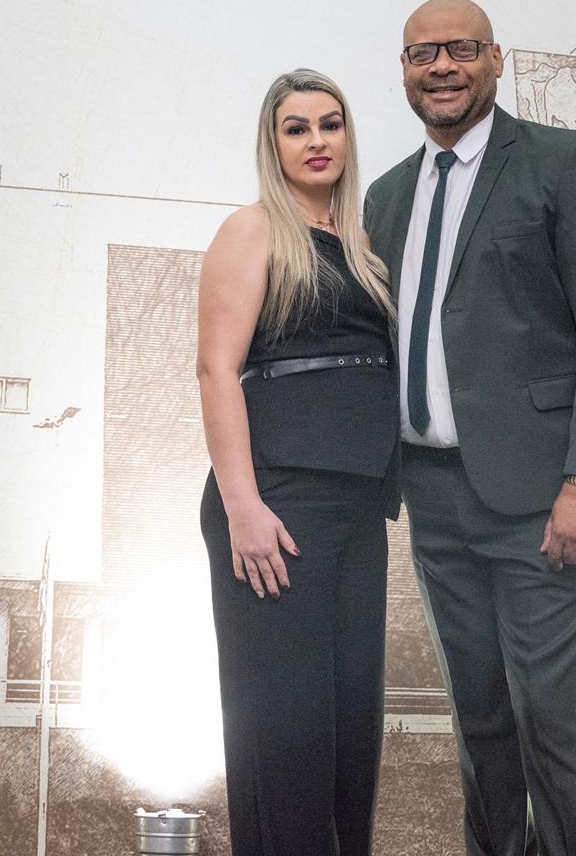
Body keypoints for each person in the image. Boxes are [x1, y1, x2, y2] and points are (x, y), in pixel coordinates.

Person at [362, 0, 576, 856]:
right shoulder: (387, 195)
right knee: (480, 723)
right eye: (423, 54)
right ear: (404, 70)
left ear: (496, 58)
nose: (441, 67)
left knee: (553, 718)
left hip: (544, 497)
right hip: (434, 500)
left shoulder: (565, 161)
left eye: (461, 49)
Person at [197, 68, 400, 856]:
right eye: (296, 128)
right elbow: (217, 370)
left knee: (351, 737)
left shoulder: (364, 246)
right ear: (273, 144)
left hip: (358, 506)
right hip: (276, 503)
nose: (317, 140)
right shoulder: (252, 230)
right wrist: (243, 508)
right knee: (285, 736)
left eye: (330, 123)